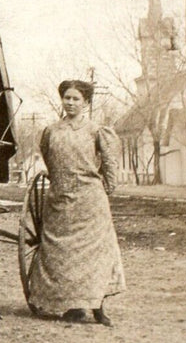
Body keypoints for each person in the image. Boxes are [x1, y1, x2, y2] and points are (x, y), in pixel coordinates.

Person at [27, 80, 126, 326]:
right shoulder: (51, 131)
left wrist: (106, 188)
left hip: (90, 202)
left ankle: (98, 307)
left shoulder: (95, 131)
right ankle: (73, 306)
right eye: (67, 98)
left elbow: (110, 163)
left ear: (86, 103)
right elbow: (49, 159)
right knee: (62, 255)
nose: (70, 103)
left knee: (95, 256)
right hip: (59, 201)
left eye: (76, 99)